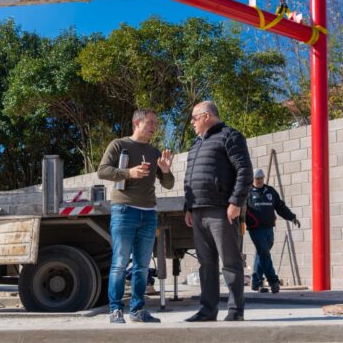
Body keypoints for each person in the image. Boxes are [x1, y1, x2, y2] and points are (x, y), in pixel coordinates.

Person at [98, 108, 174, 324]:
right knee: (120, 262)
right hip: (124, 211)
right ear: (137, 123)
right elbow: (102, 170)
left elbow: (168, 185)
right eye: (151, 123)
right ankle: (115, 310)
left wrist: (166, 170)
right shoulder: (119, 145)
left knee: (142, 265)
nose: (154, 127)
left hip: (149, 213)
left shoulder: (154, 152)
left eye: (156, 124)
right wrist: (128, 173)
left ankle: (138, 310)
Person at [183, 101, 253, 322]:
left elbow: (244, 170)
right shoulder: (195, 145)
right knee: (206, 264)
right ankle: (207, 310)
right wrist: (188, 207)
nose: (192, 123)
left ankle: (235, 311)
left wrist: (235, 202)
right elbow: (188, 179)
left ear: (205, 116)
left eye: (194, 118)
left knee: (230, 262)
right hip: (198, 211)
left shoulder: (230, 136)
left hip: (221, 210)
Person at [245, 168, 300, 294]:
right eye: (257, 179)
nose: (259, 181)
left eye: (261, 178)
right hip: (255, 229)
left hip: (269, 228)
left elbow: (280, 206)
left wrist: (291, 217)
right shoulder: (247, 192)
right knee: (264, 254)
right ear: (252, 179)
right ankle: (273, 281)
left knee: (261, 254)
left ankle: (256, 283)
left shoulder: (270, 191)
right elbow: (240, 209)